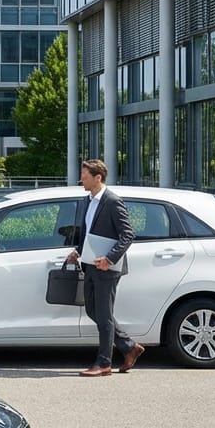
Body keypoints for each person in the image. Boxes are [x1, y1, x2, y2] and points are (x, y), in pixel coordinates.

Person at [64, 158, 143, 377]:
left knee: (104, 313)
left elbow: (127, 235)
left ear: (98, 177)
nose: (81, 179)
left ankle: (104, 363)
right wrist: (78, 252)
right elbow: (87, 232)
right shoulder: (87, 200)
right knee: (92, 310)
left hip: (107, 268)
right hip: (90, 264)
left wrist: (109, 259)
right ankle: (129, 346)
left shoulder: (112, 201)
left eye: (85, 176)